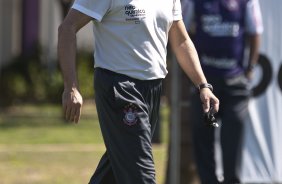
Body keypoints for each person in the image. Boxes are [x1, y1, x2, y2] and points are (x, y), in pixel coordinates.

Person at [57, 0, 219, 183]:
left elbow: (181, 40)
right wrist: (71, 87)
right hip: (119, 88)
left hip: (154, 88)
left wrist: (203, 85)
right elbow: (67, 28)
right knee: (142, 174)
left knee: (116, 167)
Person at [181, 0, 263, 183]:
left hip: (235, 84)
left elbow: (255, 32)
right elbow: (181, 33)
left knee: (232, 141)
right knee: (203, 143)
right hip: (204, 85)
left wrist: (249, 69)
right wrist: (195, 76)